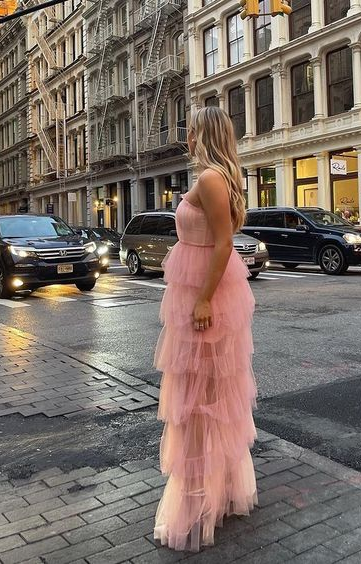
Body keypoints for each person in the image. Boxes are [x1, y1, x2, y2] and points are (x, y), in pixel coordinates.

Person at [153, 107, 258, 552]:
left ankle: (198, 502)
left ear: (206, 134)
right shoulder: (215, 176)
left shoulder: (212, 178)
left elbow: (223, 243)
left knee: (199, 402)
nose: (187, 139)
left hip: (206, 295)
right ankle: (218, 493)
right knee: (207, 397)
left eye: (191, 132)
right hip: (202, 291)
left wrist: (201, 300)